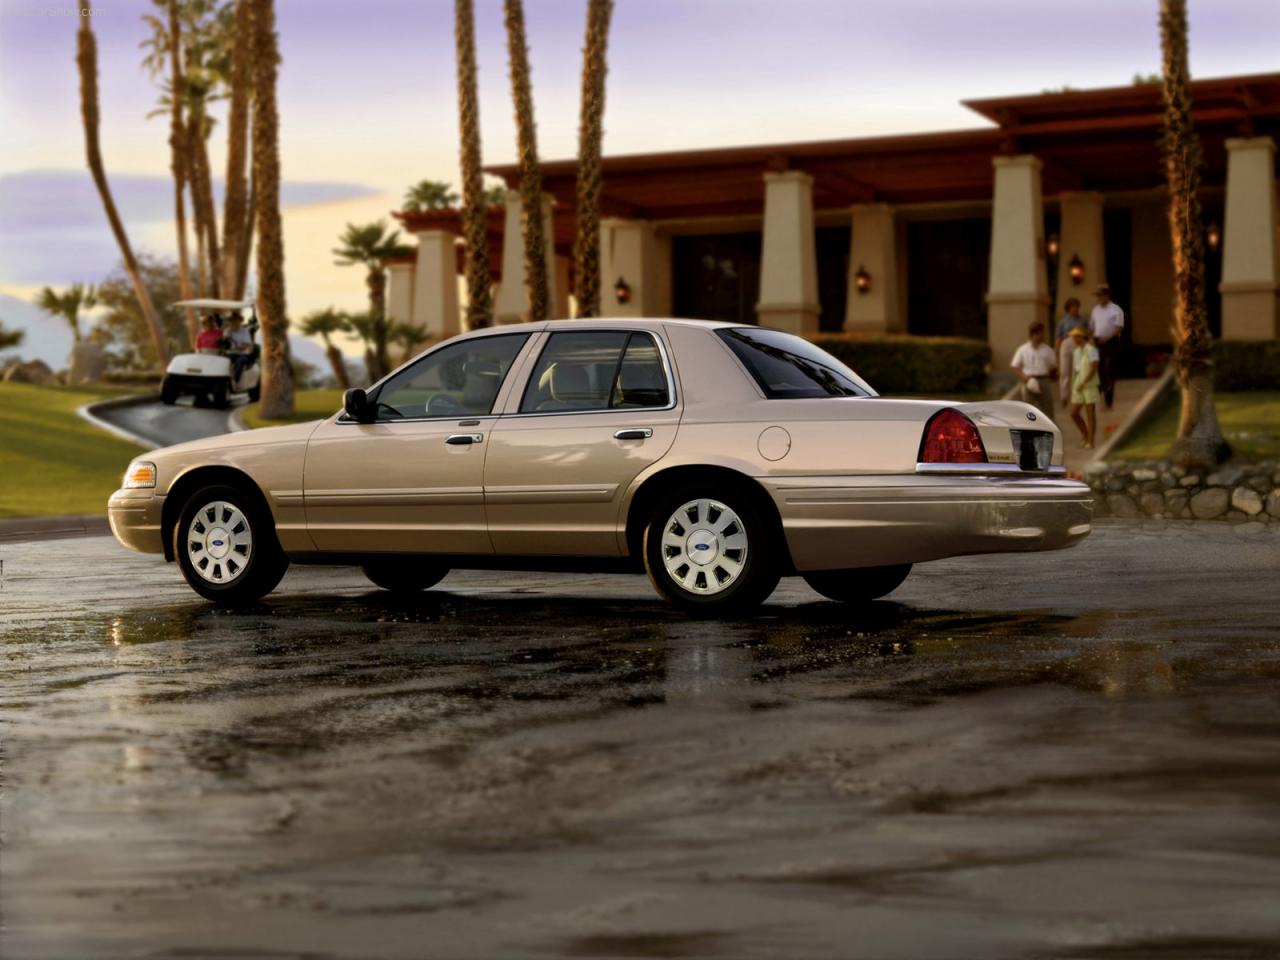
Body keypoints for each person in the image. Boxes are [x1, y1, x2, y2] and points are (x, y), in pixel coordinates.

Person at [1010, 321, 1058, 419]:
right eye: (1042, 333)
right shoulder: (1023, 349)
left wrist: (1054, 373)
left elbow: (1054, 367)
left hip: (1044, 380)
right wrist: (1025, 378)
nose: (1044, 335)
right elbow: (1014, 366)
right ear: (1035, 333)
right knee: (1028, 410)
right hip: (1029, 381)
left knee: (1048, 409)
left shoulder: (1048, 350)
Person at [1089, 284, 1124, 409]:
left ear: (1107, 295)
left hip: (1110, 343)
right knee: (1098, 371)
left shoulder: (1115, 309)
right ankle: (1098, 399)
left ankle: (1108, 402)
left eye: (1100, 295)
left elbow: (1118, 327)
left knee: (1109, 371)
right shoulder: (1095, 310)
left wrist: (1108, 337)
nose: (1098, 298)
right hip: (1098, 343)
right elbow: (1091, 327)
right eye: (1097, 295)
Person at [1068, 325, 1100, 449]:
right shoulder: (1076, 352)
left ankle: (1091, 441)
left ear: (1081, 337)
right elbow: (1077, 370)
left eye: (1075, 337)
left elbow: (1093, 367)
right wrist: (1075, 384)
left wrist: (1084, 382)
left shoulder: (1091, 349)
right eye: (1073, 337)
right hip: (1079, 385)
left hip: (1089, 385)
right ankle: (1085, 434)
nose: (1073, 339)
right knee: (1074, 413)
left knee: (1090, 413)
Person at [224, 312, 254, 382]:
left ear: (240, 321)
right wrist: (226, 338)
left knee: (240, 361)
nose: (234, 322)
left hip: (242, 353)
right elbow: (224, 341)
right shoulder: (227, 331)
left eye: (236, 320)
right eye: (232, 321)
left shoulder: (245, 331)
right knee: (223, 360)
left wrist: (241, 346)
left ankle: (235, 380)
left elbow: (248, 344)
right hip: (230, 353)